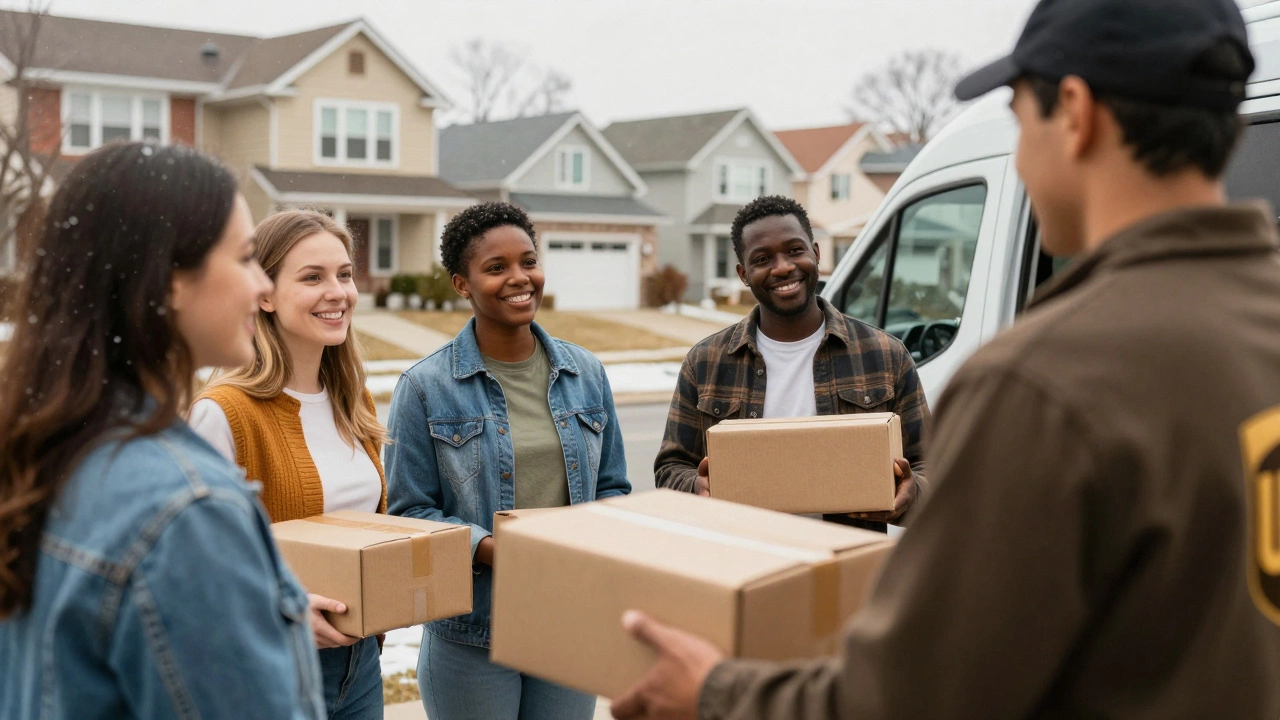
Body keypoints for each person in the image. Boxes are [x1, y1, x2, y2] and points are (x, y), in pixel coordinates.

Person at [610, 0, 1280, 718]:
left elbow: (913, 696)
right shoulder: (1256, 317)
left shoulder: (1044, 381)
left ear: (1076, 113)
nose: (1022, 156)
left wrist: (713, 693)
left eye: (1022, 122)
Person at [0, 142, 325, 719]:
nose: (262, 287)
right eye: (246, 258)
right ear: (168, 279)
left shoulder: (40, 452)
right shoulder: (186, 510)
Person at [386, 201, 631, 720]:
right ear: (461, 284)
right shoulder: (425, 388)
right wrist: (499, 549)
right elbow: (409, 512)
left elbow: (612, 488)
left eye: (528, 261)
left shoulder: (586, 372)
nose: (519, 278)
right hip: (474, 631)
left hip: (568, 620)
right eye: (496, 268)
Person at [188, 209, 386, 720]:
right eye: (312, 277)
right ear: (265, 293)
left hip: (359, 664)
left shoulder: (352, 398)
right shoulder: (225, 412)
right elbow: (198, 567)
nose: (338, 292)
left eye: (344, 274)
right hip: (271, 664)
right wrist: (284, 609)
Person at [653, 196, 928, 530]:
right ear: (743, 273)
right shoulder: (705, 362)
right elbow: (671, 468)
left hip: (847, 562)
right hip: (746, 560)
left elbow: (932, 467)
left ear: (816, 252)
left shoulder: (885, 354)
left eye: (795, 250)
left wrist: (913, 494)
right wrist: (697, 488)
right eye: (763, 258)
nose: (782, 267)